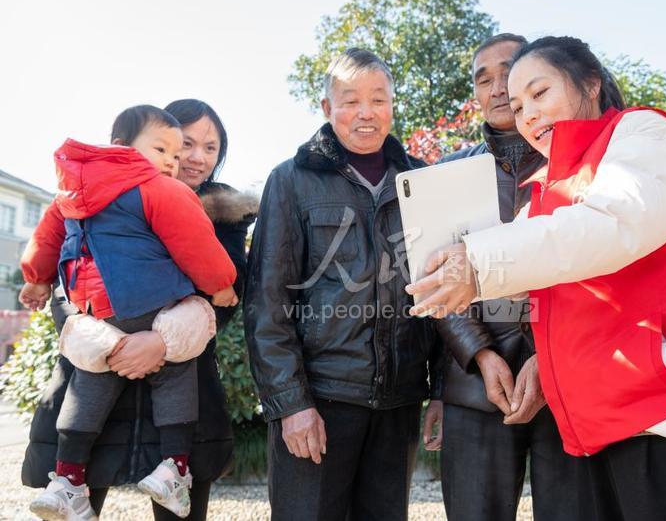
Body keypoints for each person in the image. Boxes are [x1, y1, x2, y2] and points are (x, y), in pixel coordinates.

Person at [406, 36, 666, 520]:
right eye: (518, 107)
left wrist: (476, 265)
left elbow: (609, 224)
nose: (528, 115)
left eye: (540, 93)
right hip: (601, 433)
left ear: (590, 83)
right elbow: (528, 268)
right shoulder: (550, 188)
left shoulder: (644, 134)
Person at [21, 99, 257, 521]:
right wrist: (104, 340)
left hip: (180, 390)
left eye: (211, 148)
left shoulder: (226, 211)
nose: (193, 158)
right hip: (96, 371)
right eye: (184, 144)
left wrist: (162, 342)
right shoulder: (96, 194)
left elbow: (227, 292)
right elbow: (65, 275)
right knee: (73, 496)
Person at [245, 48, 436, 521]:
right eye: (350, 101)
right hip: (319, 401)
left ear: (392, 105)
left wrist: (442, 391)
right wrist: (291, 404)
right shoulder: (291, 180)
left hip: (397, 402)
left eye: (378, 99)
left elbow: (444, 296)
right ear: (327, 107)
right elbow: (267, 302)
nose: (366, 113)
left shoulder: (422, 180)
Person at [423, 33, 596, 521]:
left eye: (509, 74)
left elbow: (595, 265)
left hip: (568, 381)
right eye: (484, 80)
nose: (498, 88)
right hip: (475, 387)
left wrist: (547, 356)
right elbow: (433, 278)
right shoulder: (447, 173)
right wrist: (480, 354)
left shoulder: (584, 162)